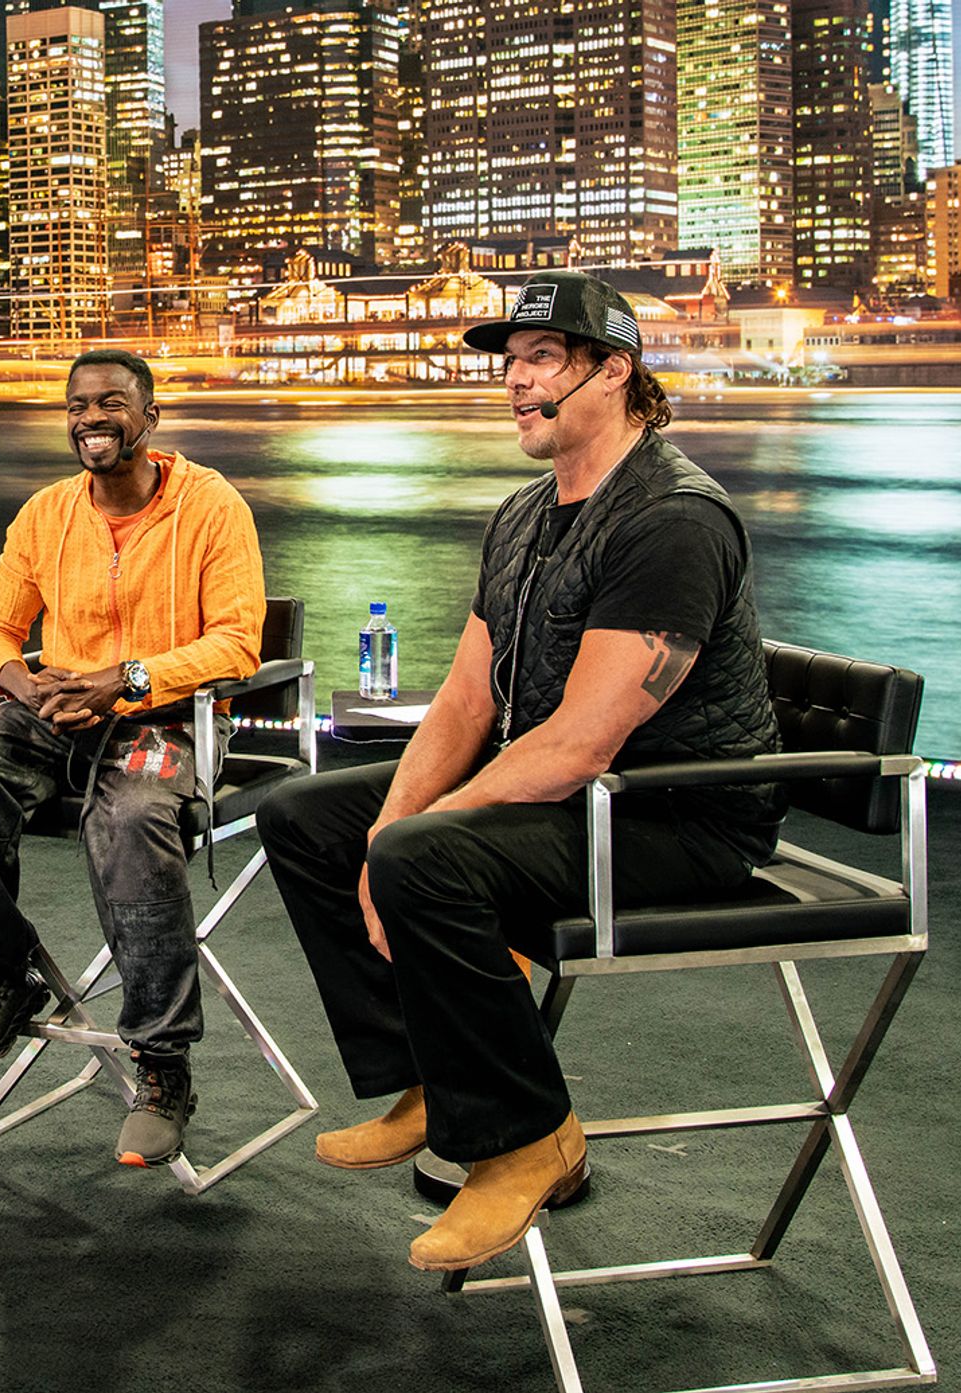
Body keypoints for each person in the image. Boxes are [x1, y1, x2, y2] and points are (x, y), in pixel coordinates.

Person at [257, 270, 784, 1272]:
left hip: (676, 817)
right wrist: (385, 822)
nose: (514, 380)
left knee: (421, 855)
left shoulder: (672, 519)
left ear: (614, 370)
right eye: (511, 362)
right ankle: (430, 1079)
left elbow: (581, 744)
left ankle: (530, 1138)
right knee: (304, 817)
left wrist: (406, 837)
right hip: (580, 795)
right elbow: (467, 702)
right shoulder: (523, 514)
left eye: (542, 358)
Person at [0, 348, 266, 1168]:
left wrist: (127, 678)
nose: (91, 418)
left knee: (134, 814)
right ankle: (3, 968)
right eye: (78, 405)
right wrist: (17, 681)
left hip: (165, 717)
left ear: (149, 416)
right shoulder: (45, 513)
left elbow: (236, 642)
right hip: (57, 710)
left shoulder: (211, 505)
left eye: (111, 402)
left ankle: (161, 1063)